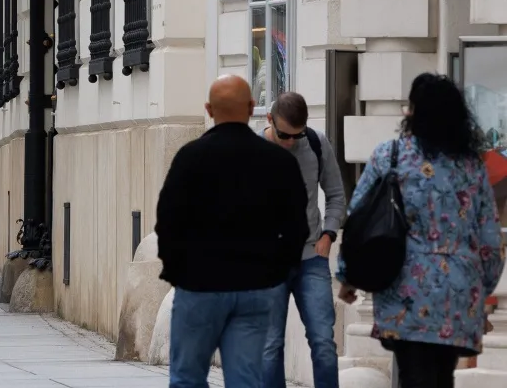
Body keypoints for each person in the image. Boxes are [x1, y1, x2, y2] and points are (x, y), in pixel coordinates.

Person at [339, 73, 504, 388]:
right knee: (442, 377)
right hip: (458, 295)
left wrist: (349, 275)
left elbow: (359, 218)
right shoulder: (472, 167)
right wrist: (483, 288)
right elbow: (490, 240)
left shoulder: (391, 156)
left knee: (414, 376)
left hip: (405, 290)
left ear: (413, 112)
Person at [154, 74, 309, 388]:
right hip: (254, 286)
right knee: (246, 381)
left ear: (209, 110)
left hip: (199, 285)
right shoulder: (279, 161)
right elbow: (296, 228)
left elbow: (167, 221)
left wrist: (177, 272)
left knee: (187, 378)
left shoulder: (190, 158)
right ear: (252, 107)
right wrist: (275, 274)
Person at [262, 91, 346, 388]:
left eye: (296, 136)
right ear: (269, 119)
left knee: (324, 341)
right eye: (284, 135)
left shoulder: (315, 142)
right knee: (270, 346)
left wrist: (329, 235)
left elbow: (336, 195)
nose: (289, 142)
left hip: (311, 258)